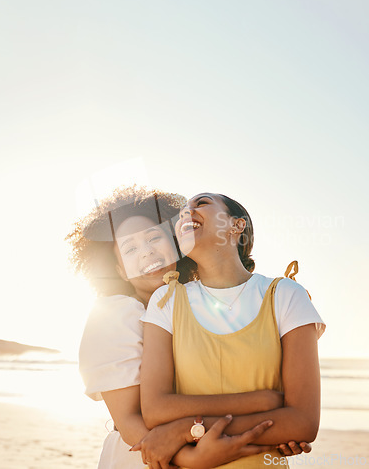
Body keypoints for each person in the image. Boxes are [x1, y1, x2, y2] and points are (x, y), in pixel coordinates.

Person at [67, 186, 311, 469]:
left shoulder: (187, 300)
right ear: (119, 270)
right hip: (145, 455)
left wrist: (276, 430)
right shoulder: (114, 315)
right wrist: (194, 456)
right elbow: (131, 419)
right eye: (130, 248)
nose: (146, 252)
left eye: (154, 238)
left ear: (174, 245)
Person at [140, 192, 326, 468]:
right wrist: (263, 403)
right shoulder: (166, 300)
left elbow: (302, 423)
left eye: (201, 203)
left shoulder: (285, 295)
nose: (186, 214)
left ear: (237, 225)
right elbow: (155, 410)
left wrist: (186, 430)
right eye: (181, 212)